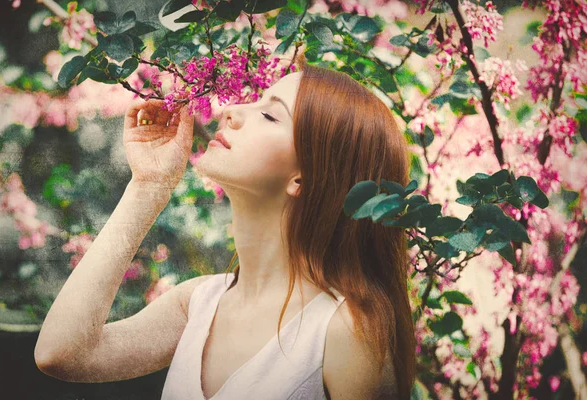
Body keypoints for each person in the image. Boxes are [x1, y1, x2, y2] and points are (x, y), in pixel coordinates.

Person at [34, 52, 416, 399]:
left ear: (304, 177)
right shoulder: (198, 304)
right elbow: (62, 353)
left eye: (269, 114)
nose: (231, 110)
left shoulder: (342, 330)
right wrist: (148, 186)